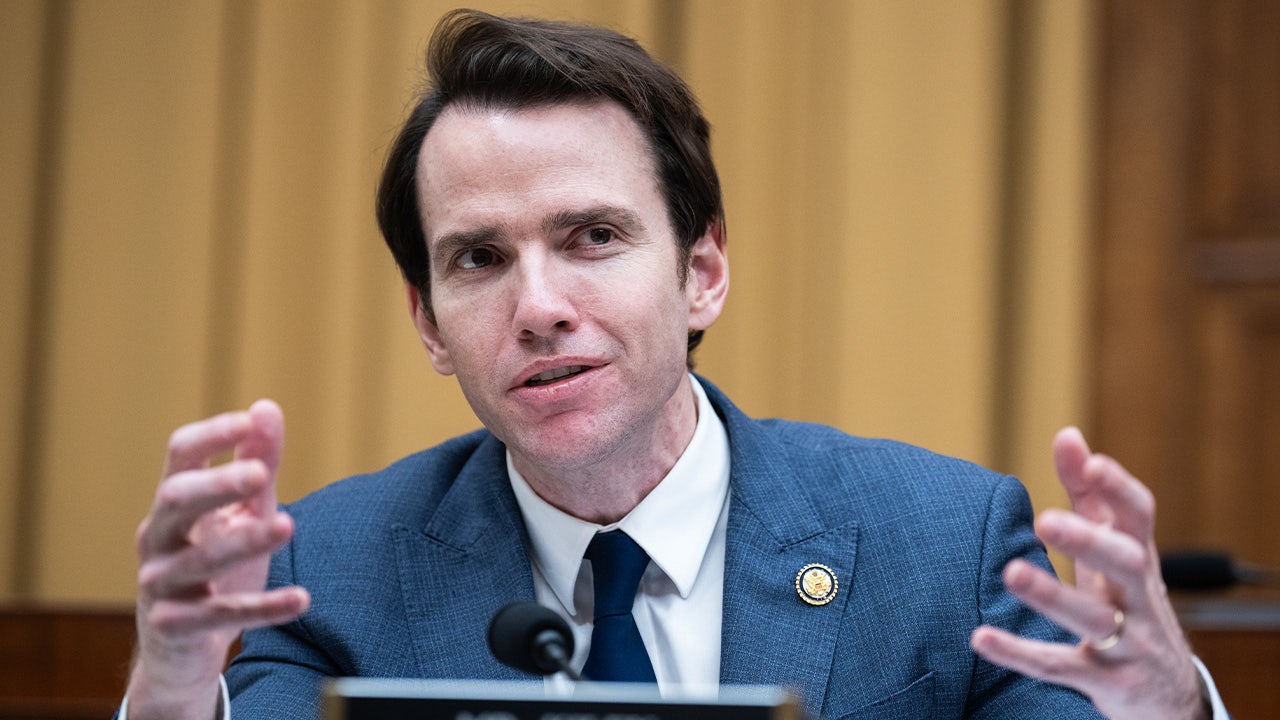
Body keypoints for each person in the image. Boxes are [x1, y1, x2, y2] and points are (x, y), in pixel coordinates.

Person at [119, 10, 1228, 720]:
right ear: (428, 322)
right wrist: (170, 690)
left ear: (701, 273)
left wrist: (1169, 703)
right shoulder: (325, 575)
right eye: (479, 259)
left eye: (592, 237)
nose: (539, 308)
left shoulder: (940, 546)